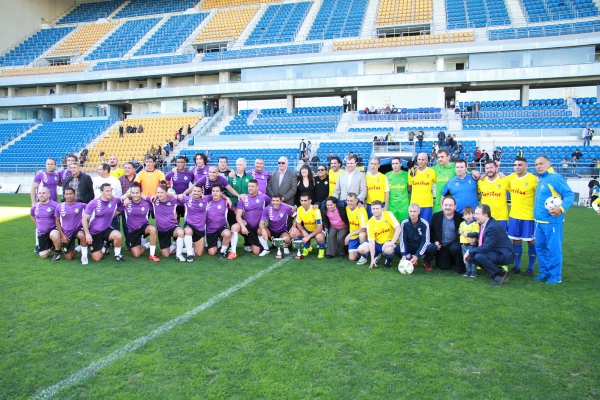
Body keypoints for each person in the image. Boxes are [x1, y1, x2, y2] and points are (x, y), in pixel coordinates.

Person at [533, 156, 575, 284]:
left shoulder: (555, 178)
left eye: (541, 163)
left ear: (549, 164)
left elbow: (569, 194)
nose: (538, 166)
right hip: (539, 222)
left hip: (552, 221)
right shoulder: (543, 179)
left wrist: (561, 208)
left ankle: (556, 276)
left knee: (553, 249)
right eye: (536, 164)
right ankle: (545, 272)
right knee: (540, 248)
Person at [463, 204, 514, 286]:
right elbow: (482, 234)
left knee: (479, 256)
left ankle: (501, 275)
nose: (474, 216)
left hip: (504, 254)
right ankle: (495, 272)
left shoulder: (492, 227)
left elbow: (486, 247)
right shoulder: (485, 223)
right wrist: (471, 235)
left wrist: (469, 251)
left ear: (485, 215)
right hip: (495, 250)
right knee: (472, 258)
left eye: (477, 214)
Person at [506, 157, 538, 276]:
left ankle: (530, 267)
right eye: (515, 165)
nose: (517, 167)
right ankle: (517, 266)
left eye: (520, 165)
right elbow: (498, 178)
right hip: (514, 215)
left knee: (531, 242)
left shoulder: (533, 179)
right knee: (516, 241)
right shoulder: (510, 178)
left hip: (529, 217)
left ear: (526, 166)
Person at [81, 183, 124, 262]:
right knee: (96, 258)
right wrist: (87, 234)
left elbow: (123, 201)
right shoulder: (93, 203)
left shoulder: (114, 201)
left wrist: (126, 198)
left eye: (111, 190)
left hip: (106, 229)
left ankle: (117, 255)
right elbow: (84, 219)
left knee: (118, 235)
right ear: (101, 192)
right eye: (107, 191)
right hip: (95, 232)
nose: (110, 193)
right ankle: (103, 247)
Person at [230, 179, 271, 259]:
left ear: (257, 187)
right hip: (247, 226)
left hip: (258, 227)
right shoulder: (243, 198)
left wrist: (289, 207)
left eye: (252, 186)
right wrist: (243, 226)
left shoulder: (263, 197)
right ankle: (233, 252)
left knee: (256, 252)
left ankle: (259, 243)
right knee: (234, 227)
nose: (250, 188)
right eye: (249, 186)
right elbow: (238, 215)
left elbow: (275, 203)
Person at [119, 183, 160, 262]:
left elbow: (158, 201)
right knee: (136, 255)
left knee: (152, 229)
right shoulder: (126, 203)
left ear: (141, 193)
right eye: (133, 193)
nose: (135, 195)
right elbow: (117, 201)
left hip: (143, 227)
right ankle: (146, 245)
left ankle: (152, 254)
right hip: (133, 231)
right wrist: (125, 197)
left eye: (137, 193)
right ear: (130, 194)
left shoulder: (147, 203)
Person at [357, 201, 401, 269]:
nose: (375, 211)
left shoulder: (388, 214)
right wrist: (372, 259)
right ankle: (375, 256)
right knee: (361, 249)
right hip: (377, 243)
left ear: (382, 209)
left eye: (377, 208)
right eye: (373, 209)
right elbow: (371, 242)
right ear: (371, 210)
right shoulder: (369, 223)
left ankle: (388, 259)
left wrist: (392, 242)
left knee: (388, 250)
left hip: (388, 242)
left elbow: (398, 228)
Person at [150, 184, 187, 261]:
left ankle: (179, 254)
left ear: (166, 192)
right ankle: (174, 245)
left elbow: (186, 199)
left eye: (162, 192)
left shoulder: (173, 200)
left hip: (172, 227)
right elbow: (141, 197)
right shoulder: (154, 200)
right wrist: (126, 197)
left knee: (180, 232)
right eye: (158, 192)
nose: (159, 194)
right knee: (165, 255)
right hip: (162, 230)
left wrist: (170, 194)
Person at [430, 197, 465, 273]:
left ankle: (460, 267)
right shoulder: (436, 216)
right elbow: (431, 231)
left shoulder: (460, 218)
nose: (447, 207)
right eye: (445, 205)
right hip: (441, 246)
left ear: (455, 206)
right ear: (442, 206)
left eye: (450, 205)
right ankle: (452, 260)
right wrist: (435, 241)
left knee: (455, 248)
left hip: (454, 243)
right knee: (443, 267)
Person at [399, 204, 437, 271]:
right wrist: (403, 254)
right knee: (395, 248)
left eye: (414, 211)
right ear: (408, 212)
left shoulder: (425, 223)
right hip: (409, 247)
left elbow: (425, 241)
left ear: (419, 212)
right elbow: (402, 240)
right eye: (410, 211)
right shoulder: (404, 223)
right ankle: (406, 259)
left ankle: (427, 261)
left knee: (433, 247)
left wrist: (417, 255)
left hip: (420, 246)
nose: (412, 214)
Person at [54, 187, 88, 263]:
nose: (69, 196)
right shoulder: (59, 206)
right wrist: (62, 235)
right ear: (64, 195)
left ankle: (84, 257)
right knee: (69, 257)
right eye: (67, 194)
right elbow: (57, 221)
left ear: (74, 195)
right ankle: (78, 248)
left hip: (77, 230)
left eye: (71, 194)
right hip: (66, 233)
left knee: (82, 235)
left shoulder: (81, 205)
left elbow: (93, 206)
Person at [290, 192, 326, 259]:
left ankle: (321, 249)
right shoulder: (300, 209)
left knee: (319, 237)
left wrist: (308, 236)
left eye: (305, 200)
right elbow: (298, 223)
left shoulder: (316, 210)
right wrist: (303, 231)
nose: (303, 202)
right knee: (293, 233)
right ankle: (307, 247)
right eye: (302, 200)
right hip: (307, 229)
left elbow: (320, 228)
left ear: (310, 201)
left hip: (317, 230)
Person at [31, 187, 61, 261]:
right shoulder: (35, 206)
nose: (41, 195)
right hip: (42, 233)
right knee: (43, 255)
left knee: (54, 234)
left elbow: (61, 218)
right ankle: (52, 246)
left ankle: (57, 252)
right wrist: (39, 225)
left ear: (49, 195)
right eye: (40, 193)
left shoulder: (55, 205)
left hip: (53, 230)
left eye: (44, 193)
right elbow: (33, 216)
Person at [478, 160, 510, 230]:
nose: (489, 170)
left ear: (496, 168)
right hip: (485, 217)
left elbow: (515, 189)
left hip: (501, 217)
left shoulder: (504, 180)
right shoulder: (481, 181)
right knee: (486, 239)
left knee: (501, 239)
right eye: (487, 168)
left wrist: (506, 177)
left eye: (491, 168)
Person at [205, 185, 233, 258]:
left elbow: (235, 210)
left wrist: (242, 219)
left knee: (227, 233)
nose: (215, 193)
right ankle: (219, 243)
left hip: (222, 228)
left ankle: (222, 251)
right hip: (210, 230)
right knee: (211, 252)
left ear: (221, 193)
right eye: (213, 191)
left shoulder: (225, 202)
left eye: (217, 191)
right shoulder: (207, 201)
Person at [165, 156, 195, 223]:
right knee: (175, 219)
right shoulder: (172, 173)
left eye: (182, 162)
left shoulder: (190, 173)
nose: (180, 164)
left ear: (185, 163)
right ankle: (177, 231)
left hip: (185, 200)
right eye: (178, 162)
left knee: (187, 218)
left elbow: (195, 184)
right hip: (175, 199)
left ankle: (186, 231)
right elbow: (165, 183)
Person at [408, 153, 436, 224]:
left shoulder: (431, 172)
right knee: (414, 225)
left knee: (426, 225)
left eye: (423, 160)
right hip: (414, 204)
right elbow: (409, 186)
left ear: (427, 160)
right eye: (419, 159)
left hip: (427, 204)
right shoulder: (412, 171)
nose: (420, 161)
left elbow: (437, 185)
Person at [345, 192, 368, 263]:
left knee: (362, 235)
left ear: (356, 201)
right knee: (352, 258)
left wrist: (350, 234)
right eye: (348, 201)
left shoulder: (361, 210)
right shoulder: (347, 208)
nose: (349, 203)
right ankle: (365, 251)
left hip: (362, 234)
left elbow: (364, 228)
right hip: (353, 236)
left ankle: (364, 257)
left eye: (351, 201)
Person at [386, 157, 410, 224]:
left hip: (404, 206)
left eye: (396, 163)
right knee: (392, 226)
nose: (395, 165)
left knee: (405, 225)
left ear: (400, 164)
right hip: (392, 206)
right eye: (393, 163)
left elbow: (410, 187)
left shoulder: (406, 175)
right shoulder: (387, 175)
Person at [458, 206, 479, 277]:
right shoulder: (462, 224)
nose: (468, 216)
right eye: (466, 215)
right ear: (463, 216)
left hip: (471, 244)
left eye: (469, 214)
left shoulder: (475, 224)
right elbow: (459, 231)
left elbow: (476, 233)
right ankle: (468, 270)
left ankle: (474, 271)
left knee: (472, 258)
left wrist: (468, 234)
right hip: (463, 244)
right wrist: (459, 232)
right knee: (465, 258)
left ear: (473, 214)